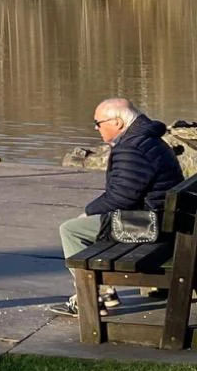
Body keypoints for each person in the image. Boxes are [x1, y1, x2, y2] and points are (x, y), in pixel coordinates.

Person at [52, 98, 184, 316]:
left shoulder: (132, 148)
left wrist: (87, 211)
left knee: (71, 229)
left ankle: (93, 298)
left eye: (98, 122)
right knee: (86, 223)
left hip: (149, 226)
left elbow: (122, 197)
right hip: (165, 221)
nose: (96, 128)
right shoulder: (149, 140)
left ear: (117, 122)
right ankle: (104, 292)